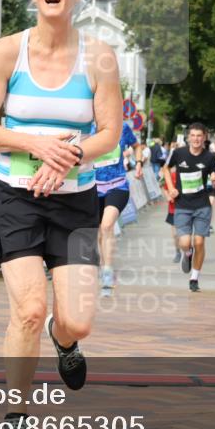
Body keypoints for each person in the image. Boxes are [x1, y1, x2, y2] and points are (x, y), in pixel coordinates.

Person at [0, 0, 122, 429]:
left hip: (75, 199)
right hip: (14, 193)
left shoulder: (98, 56)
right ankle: (15, 413)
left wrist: (68, 155)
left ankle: (67, 342)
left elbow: (110, 134)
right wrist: (36, 145)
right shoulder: (7, 52)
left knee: (76, 319)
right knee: (30, 308)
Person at [162, 123, 215, 293]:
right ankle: (187, 254)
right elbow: (165, 169)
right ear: (188, 137)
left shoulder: (210, 158)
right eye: (193, 135)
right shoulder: (179, 153)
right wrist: (171, 187)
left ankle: (194, 278)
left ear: (204, 138)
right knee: (186, 243)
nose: (196, 139)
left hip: (202, 205)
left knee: (199, 241)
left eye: (199, 136)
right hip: (182, 204)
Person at [93, 120, 142, 297]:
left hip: (118, 186)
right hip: (93, 187)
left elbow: (137, 146)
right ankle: (103, 266)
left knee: (107, 226)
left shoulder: (122, 126)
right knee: (99, 232)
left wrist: (138, 163)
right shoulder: (86, 126)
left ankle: (107, 273)